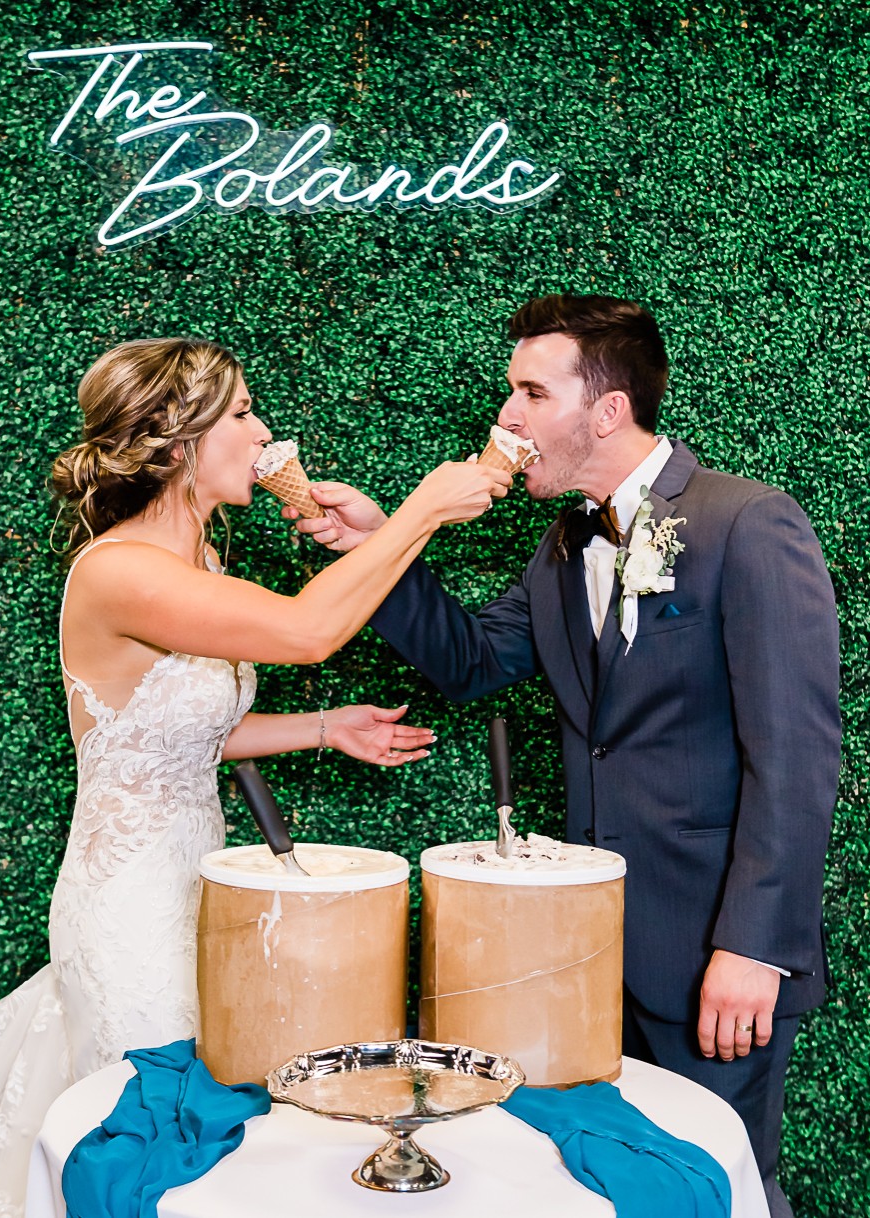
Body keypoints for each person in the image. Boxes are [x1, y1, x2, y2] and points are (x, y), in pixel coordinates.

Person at [289, 294, 840, 1218]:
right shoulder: (560, 545)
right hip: (579, 957)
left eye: (530, 392)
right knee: (596, 1191)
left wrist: (753, 945)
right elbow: (469, 662)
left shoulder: (746, 522)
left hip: (711, 951)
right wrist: (379, 544)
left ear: (608, 410)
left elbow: (794, 754)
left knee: (718, 1187)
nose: (506, 416)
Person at [0, 337, 510, 1218]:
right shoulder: (120, 571)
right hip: (127, 903)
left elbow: (181, 733)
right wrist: (422, 511)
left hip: (200, 888)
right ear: (175, 440)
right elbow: (303, 633)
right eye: (242, 413)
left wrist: (326, 728)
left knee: (212, 1128)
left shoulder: (196, 565)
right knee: (150, 1128)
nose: (262, 431)